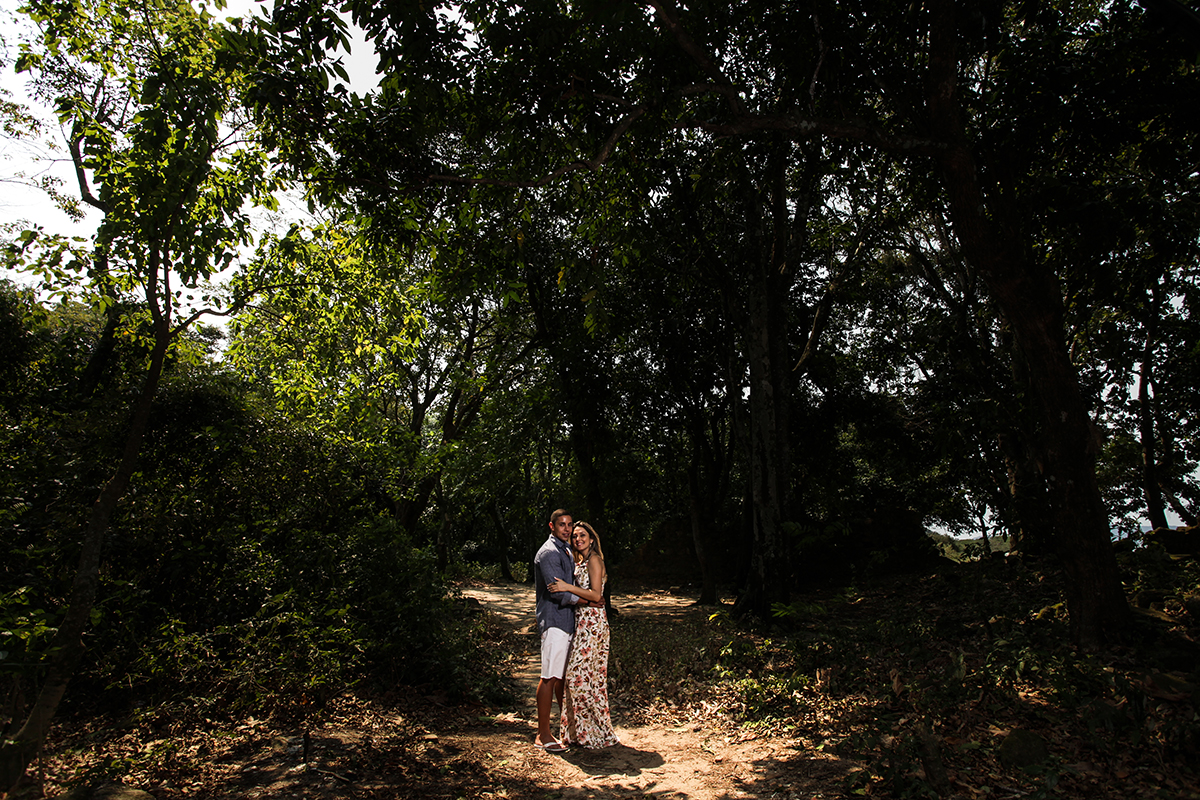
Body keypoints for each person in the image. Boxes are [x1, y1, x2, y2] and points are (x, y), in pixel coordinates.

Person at [548, 521, 619, 749]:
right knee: (582, 679)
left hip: (593, 624)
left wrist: (567, 587)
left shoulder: (595, 560)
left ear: (591, 538)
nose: (578, 539)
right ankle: (579, 734)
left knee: (581, 677)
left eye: (582, 535)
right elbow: (591, 595)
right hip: (582, 621)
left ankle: (595, 733)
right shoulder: (580, 561)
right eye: (575, 536)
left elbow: (597, 594)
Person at [532, 508, 578, 752]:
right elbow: (558, 592)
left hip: (567, 621)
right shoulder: (549, 552)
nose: (567, 529)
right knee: (549, 676)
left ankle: (567, 729)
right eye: (562, 524)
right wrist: (588, 600)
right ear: (552, 526)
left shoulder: (566, 549)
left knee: (561, 678)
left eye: (569, 524)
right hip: (554, 622)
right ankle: (543, 735)